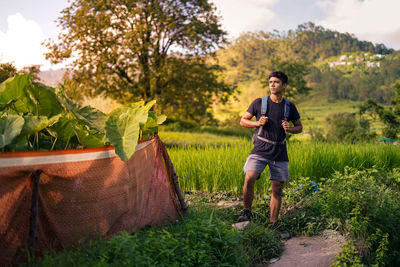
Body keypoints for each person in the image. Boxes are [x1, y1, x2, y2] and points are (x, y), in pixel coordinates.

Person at [237, 71, 302, 226]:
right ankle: (246, 211)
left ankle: (273, 222)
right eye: (271, 82)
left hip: (279, 151)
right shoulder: (259, 103)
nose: (272, 84)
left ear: (284, 85)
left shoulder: (289, 107)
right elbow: (243, 121)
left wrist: (289, 128)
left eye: (277, 82)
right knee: (249, 177)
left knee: (277, 188)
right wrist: (257, 123)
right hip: (260, 148)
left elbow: (299, 127)